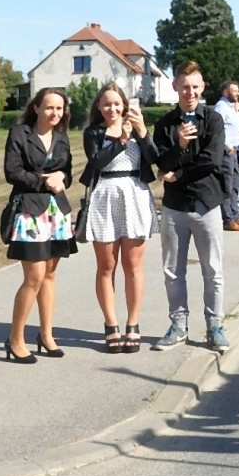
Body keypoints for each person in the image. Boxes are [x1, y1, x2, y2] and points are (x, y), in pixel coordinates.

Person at [151, 61, 230, 353]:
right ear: (175, 87)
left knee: (213, 269)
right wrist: (180, 145)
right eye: (185, 86)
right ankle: (178, 325)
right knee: (173, 270)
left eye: (195, 86)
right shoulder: (164, 125)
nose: (190, 92)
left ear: (203, 87)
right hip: (174, 207)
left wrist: (180, 173)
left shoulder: (212, 120)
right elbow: (162, 163)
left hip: (206, 204)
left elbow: (212, 159)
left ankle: (215, 327)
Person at [2, 88, 78, 363]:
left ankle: (46, 335)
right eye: (49, 108)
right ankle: (15, 338)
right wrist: (43, 181)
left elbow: (67, 172)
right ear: (36, 108)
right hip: (29, 210)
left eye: (59, 109)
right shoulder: (20, 133)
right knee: (33, 277)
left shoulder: (62, 138)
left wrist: (61, 177)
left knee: (49, 275)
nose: (55, 113)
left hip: (56, 212)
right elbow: (12, 172)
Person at [80, 84, 157, 354]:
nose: (112, 109)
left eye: (116, 104)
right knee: (106, 266)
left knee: (133, 266)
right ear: (99, 108)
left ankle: (133, 324)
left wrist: (142, 132)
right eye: (106, 104)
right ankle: (111, 325)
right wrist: (121, 140)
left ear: (125, 105)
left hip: (135, 193)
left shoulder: (137, 128)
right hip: (104, 194)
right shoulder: (93, 132)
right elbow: (97, 162)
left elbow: (155, 158)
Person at [212, 81, 239, 233]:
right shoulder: (221, 107)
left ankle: (235, 215)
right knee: (227, 186)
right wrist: (227, 146)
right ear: (225, 92)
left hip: (233, 152)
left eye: (238, 91)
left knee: (235, 184)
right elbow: (216, 128)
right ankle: (227, 219)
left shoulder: (230, 108)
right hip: (225, 152)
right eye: (234, 91)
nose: (237, 93)